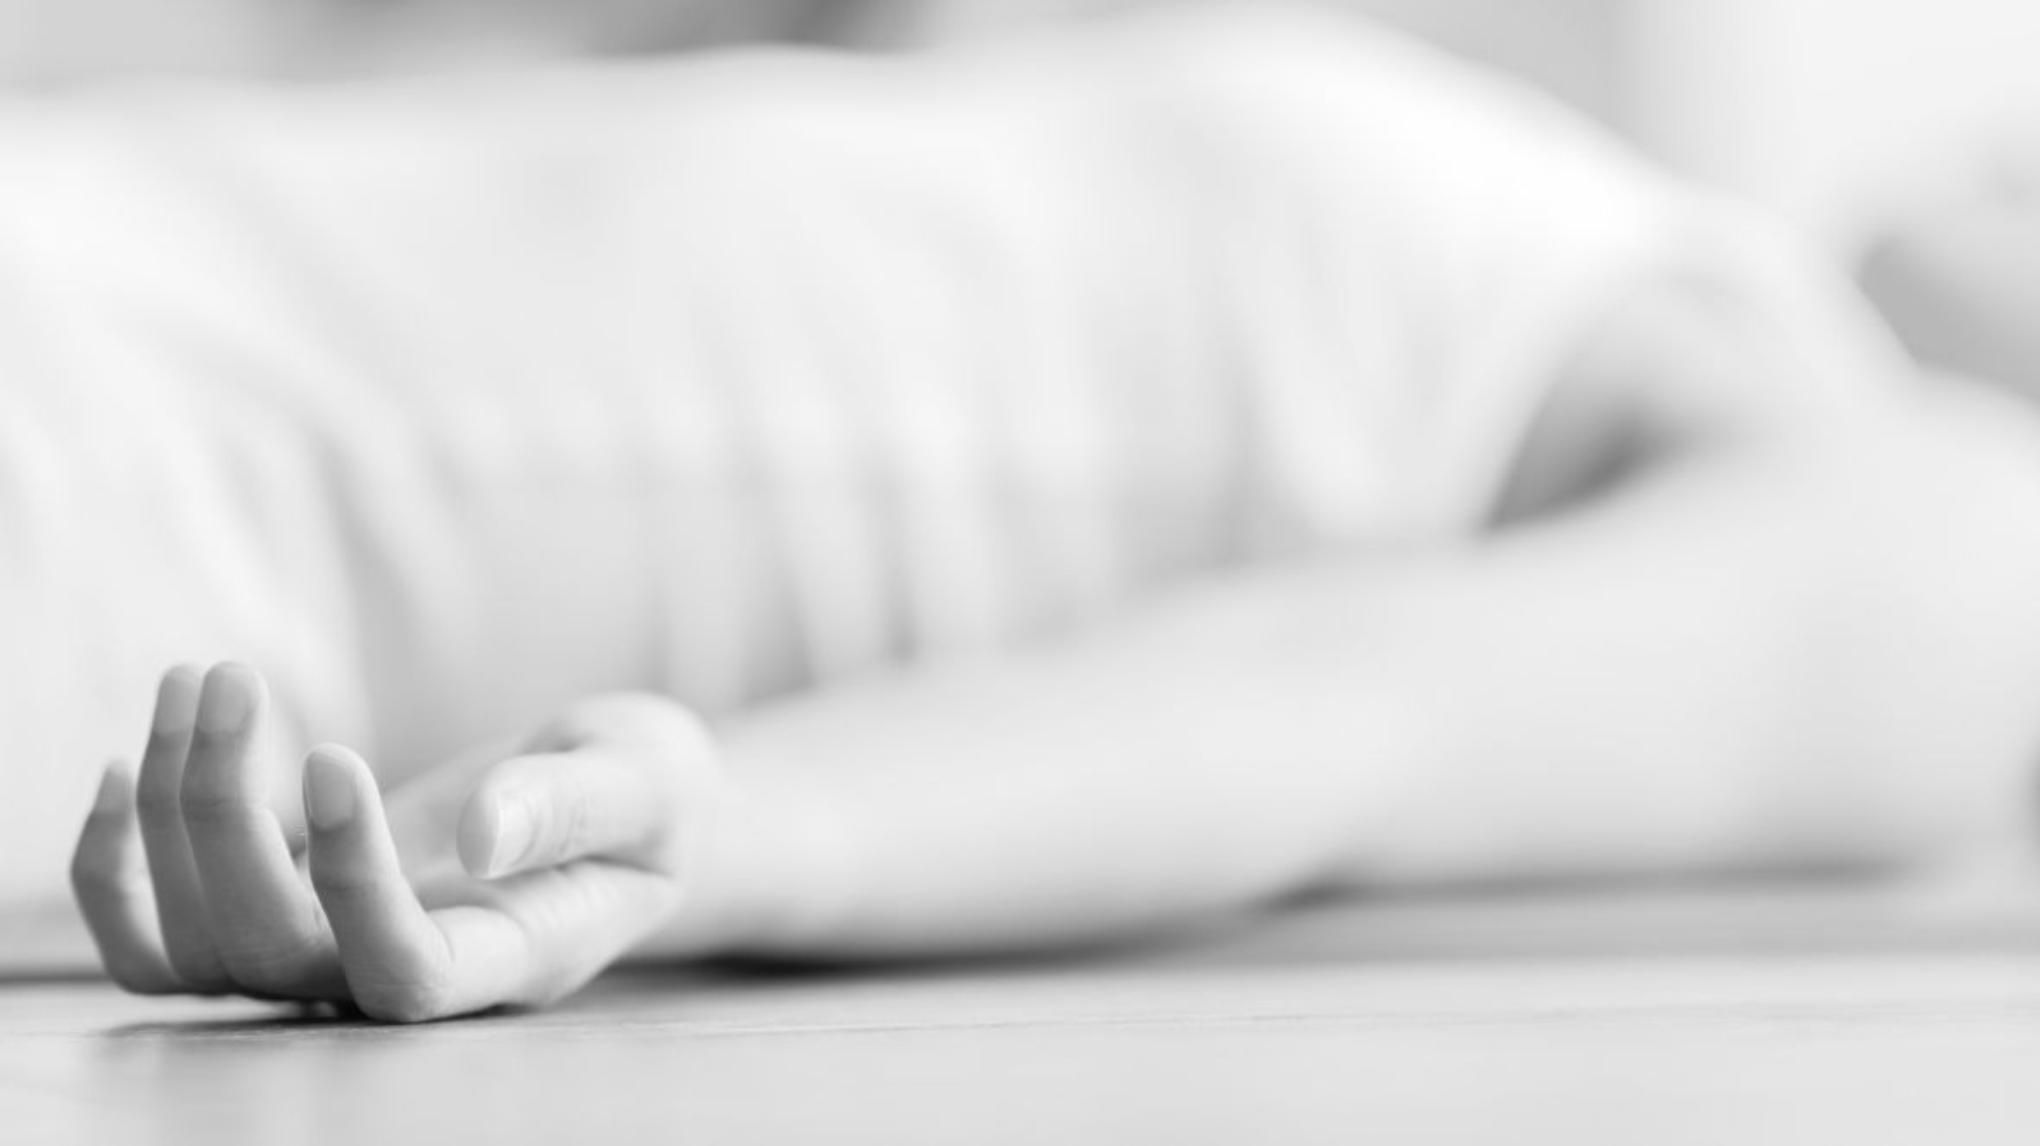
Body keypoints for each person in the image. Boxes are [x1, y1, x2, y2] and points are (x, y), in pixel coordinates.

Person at [41, 2, 2040, 1022]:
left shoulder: (1963, 541)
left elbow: (1316, 718)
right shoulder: (1683, 265)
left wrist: (715, 829)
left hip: (126, 481)